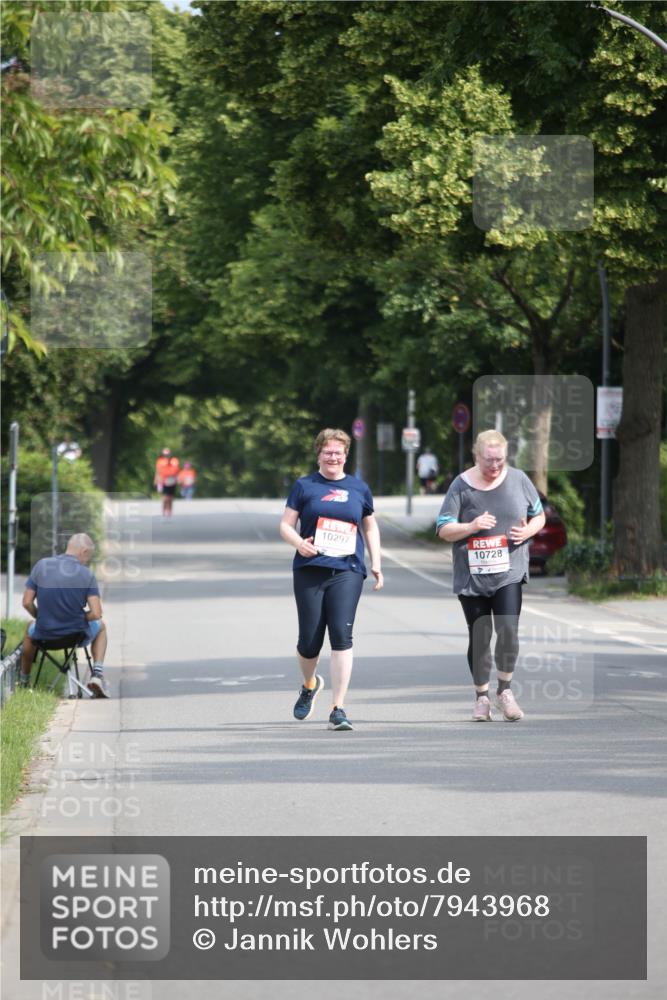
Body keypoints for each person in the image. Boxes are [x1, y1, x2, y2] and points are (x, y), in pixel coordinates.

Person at [436, 430, 545, 722]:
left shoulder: (520, 480)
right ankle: (481, 697)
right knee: (480, 636)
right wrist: (471, 526)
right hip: (473, 575)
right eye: (489, 460)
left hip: (509, 570)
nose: (495, 466)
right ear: (476, 456)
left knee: (508, 629)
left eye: (500, 460)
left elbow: (540, 515)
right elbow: (444, 528)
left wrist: (528, 531)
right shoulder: (461, 486)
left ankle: (505, 691)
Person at [279, 428, 383, 731]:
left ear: (346, 455)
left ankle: (338, 708)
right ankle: (310, 684)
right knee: (309, 641)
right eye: (328, 452)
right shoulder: (304, 486)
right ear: (319, 454)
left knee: (341, 635)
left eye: (338, 452)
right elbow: (285, 525)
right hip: (310, 569)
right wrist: (299, 543)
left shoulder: (359, 488)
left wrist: (376, 562)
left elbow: (370, 527)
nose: (333, 457)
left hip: (348, 570)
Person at [18, 533, 109, 698]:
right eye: (88, 557)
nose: (86, 561)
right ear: (83, 551)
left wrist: (40, 617)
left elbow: (26, 602)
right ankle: (97, 674)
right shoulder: (87, 574)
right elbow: (96, 613)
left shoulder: (41, 566)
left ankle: (24, 681)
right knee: (101, 627)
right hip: (75, 635)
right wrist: (81, 618)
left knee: (28, 630)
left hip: (44, 635)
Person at [154, 448, 180, 517]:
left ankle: (169, 511)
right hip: (163, 480)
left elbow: (177, 470)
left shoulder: (175, 460)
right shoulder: (160, 461)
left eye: (168, 454)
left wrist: (178, 478)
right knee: (165, 497)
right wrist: (156, 479)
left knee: (171, 497)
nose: (166, 456)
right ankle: (163, 510)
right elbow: (157, 471)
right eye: (165, 454)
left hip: (172, 480)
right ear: (163, 454)